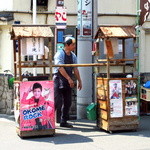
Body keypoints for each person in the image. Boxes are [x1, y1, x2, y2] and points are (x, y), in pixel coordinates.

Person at [53, 36, 82, 128]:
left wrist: (80, 81)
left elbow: (75, 69)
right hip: (58, 78)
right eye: (73, 44)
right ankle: (48, 120)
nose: (74, 46)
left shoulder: (73, 56)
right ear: (67, 45)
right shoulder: (59, 54)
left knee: (68, 101)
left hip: (68, 79)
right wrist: (69, 79)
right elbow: (60, 68)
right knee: (56, 101)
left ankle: (63, 120)